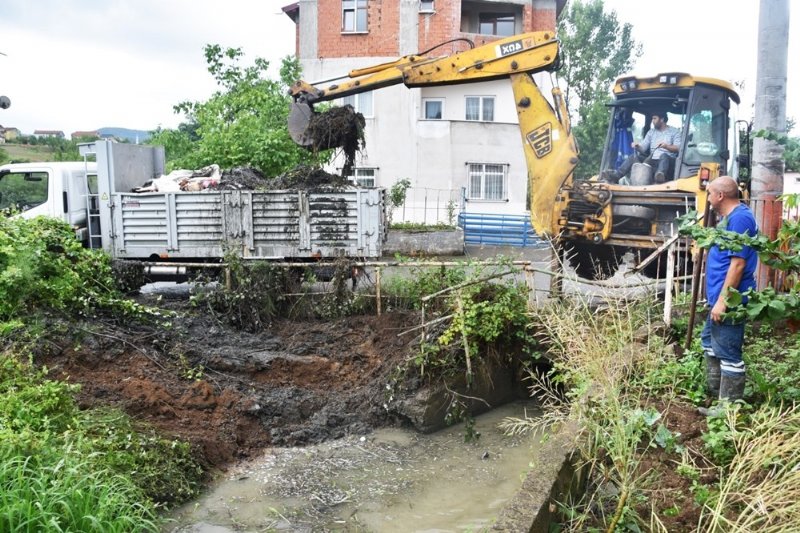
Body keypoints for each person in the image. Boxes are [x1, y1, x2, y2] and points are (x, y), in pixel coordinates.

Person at [699, 176, 758, 414]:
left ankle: (728, 410)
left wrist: (723, 301)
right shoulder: (729, 219)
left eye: (711, 193)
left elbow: (737, 265)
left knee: (729, 353)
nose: (709, 198)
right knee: (709, 343)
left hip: (731, 300)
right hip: (720, 297)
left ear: (721, 196)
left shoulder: (740, 218)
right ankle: (716, 395)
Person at [602, 112, 681, 184]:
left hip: (668, 163)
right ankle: (616, 175)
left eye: (655, 118)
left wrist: (666, 146)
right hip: (653, 161)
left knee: (664, 156)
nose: (652, 121)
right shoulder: (651, 132)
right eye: (652, 119)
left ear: (662, 119)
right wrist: (637, 146)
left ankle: (659, 177)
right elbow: (643, 147)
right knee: (633, 157)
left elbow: (678, 148)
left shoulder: (674, 131)